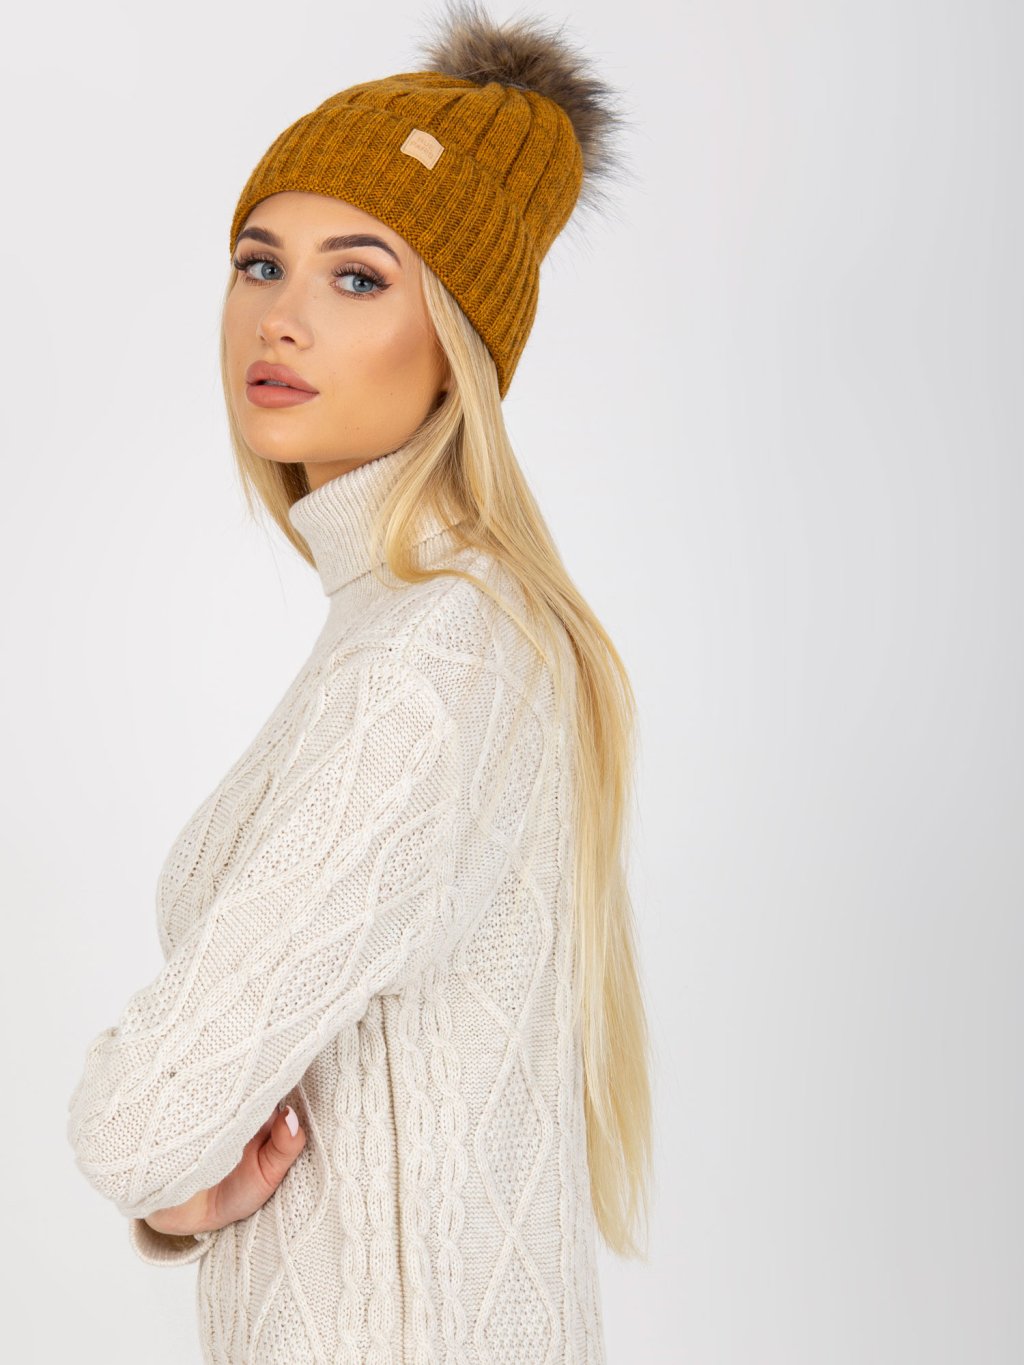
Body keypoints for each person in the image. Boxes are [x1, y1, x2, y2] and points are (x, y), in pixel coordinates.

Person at [66, 1, 652, 1359]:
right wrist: (181, 1200)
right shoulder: (424, 621)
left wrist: (166, 1177)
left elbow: (135, 1123)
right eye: (258, 262)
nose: (280, 318)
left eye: (357, 278)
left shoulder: (432, 657)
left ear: (459, 342)